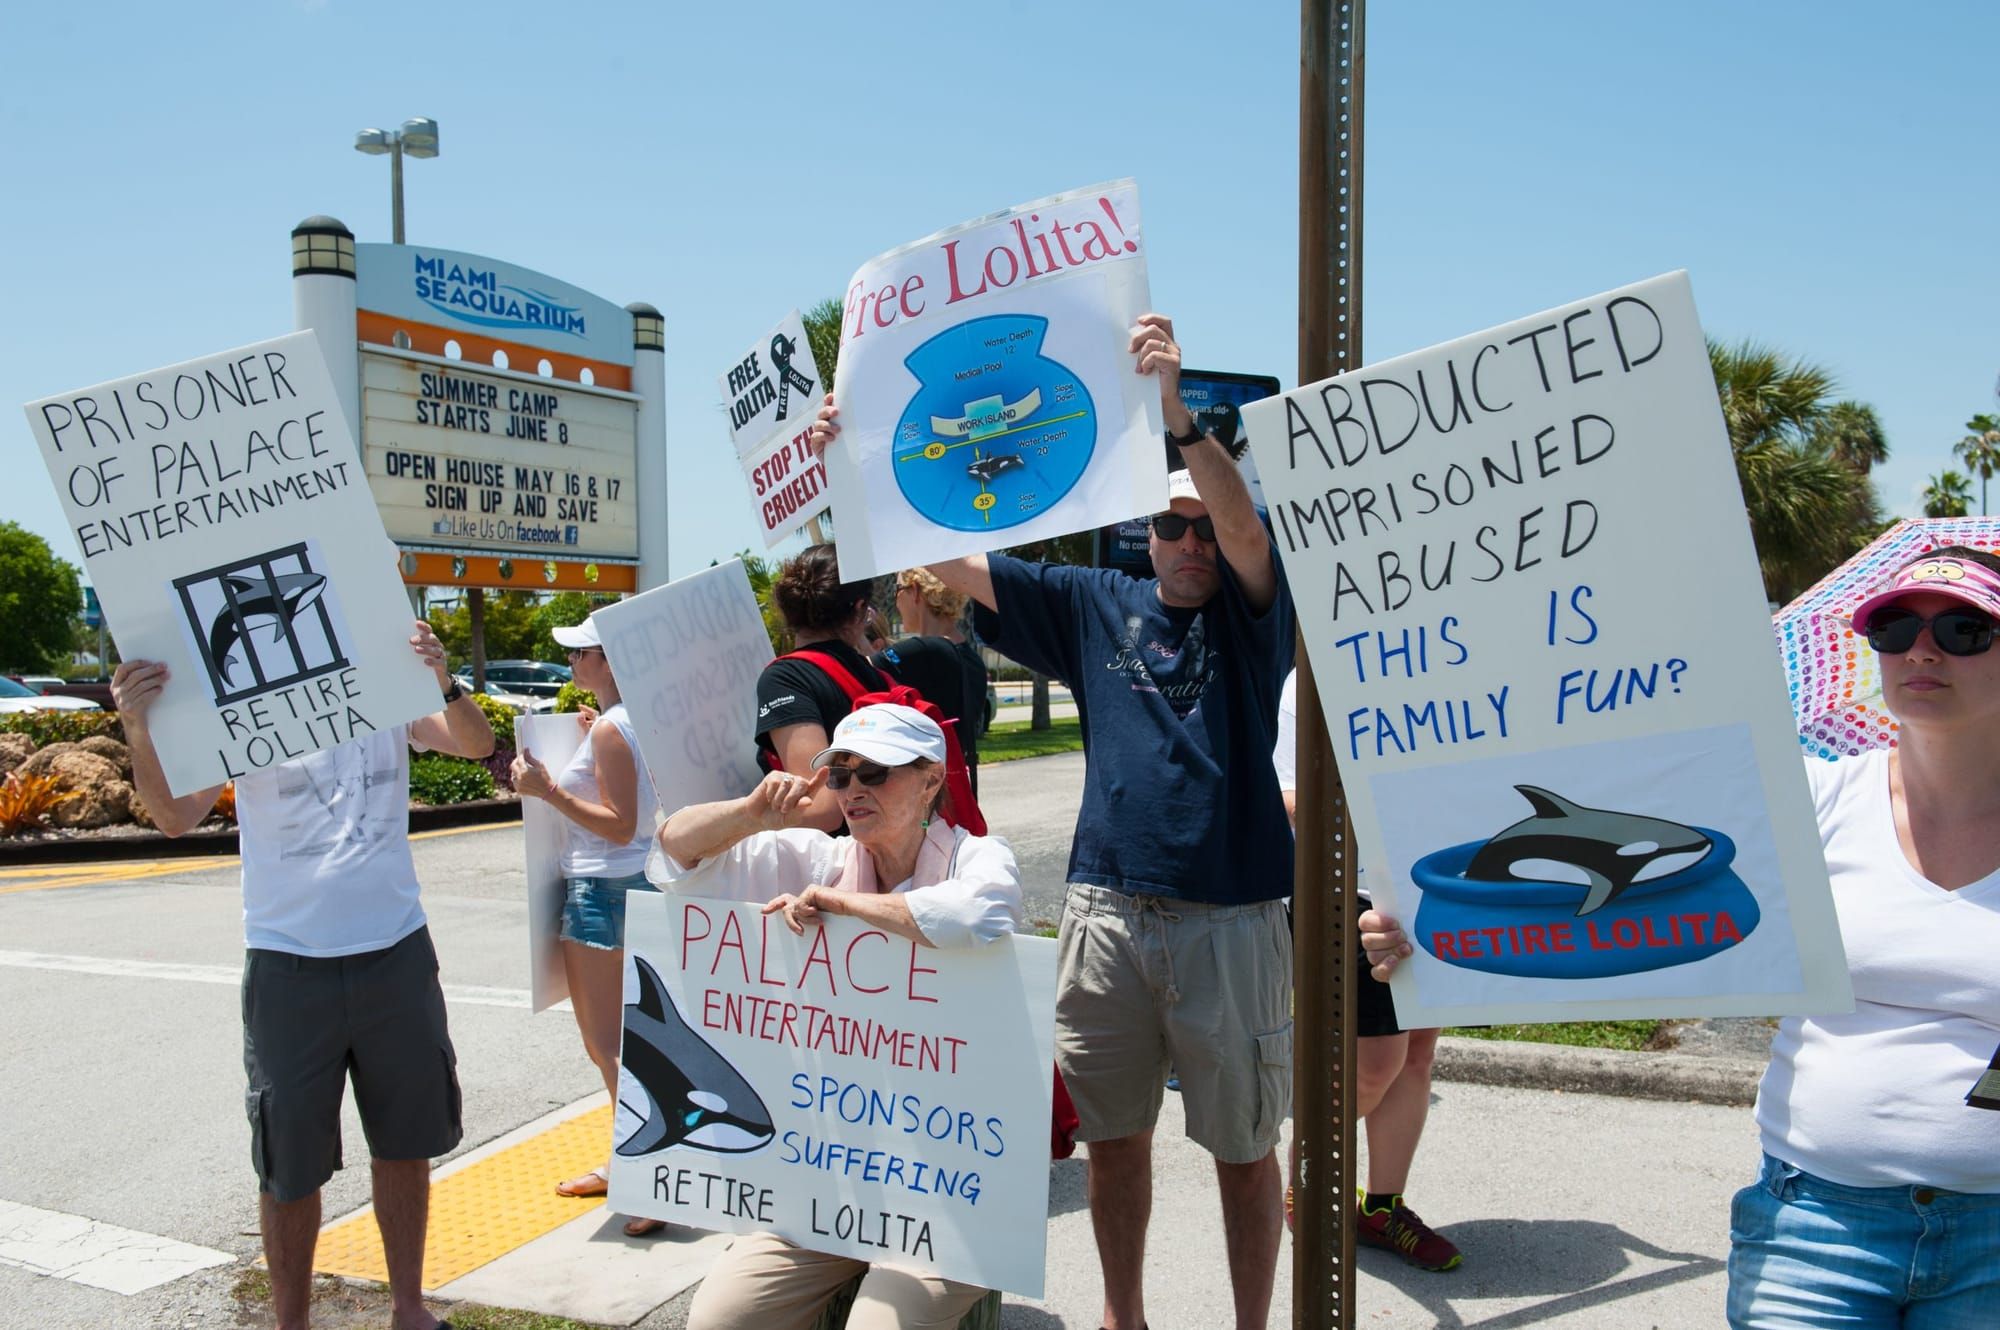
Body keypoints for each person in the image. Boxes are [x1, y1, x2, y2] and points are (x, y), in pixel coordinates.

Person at [1363, 546, 2000, 1328]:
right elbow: (1637, 917)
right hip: (1815, 1219)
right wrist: (1417, 942)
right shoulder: (1815, 796)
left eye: (1966, 630)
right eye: (1896, 627)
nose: (1922, 650)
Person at [811, 312, 1296, 1330]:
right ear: (1143, 533)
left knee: (1244, 1149)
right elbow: (947, 560)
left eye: (1201, 522)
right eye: (1170, 523)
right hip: (1103, 914)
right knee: (1114, 1139)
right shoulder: (1091, 600)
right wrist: (851, 467)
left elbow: (1246, 532)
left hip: (1233, 918)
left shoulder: (1257, 607)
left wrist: (1175, 421)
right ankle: (1124, 1316)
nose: (1190, 539)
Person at [113, 620, 493, 1330]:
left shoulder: (380, 677)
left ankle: (408, 1307)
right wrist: (137, 726)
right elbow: (172, 816)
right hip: (288, 961)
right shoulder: (240, 698)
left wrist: (442, 678)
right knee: (288, 1165)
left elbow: (475, 743)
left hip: (395, 949)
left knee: (405, 1143)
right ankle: (292, 1323)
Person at [653, 703, 1023, 1330]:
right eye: (841, 774)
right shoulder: (818, 857)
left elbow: (975, 917)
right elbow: (675, 853)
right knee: (721, 1320)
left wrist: (841, 908)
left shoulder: (976, 858)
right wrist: (750, 813)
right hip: (826, 1181)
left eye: (874, 773)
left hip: (949, 1191)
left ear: (931, 780)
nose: (852, 789)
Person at [1272, 669, 1461, 1271]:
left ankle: (1382, 1208)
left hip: (1441, 887)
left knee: (1421, 1050)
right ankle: (1313, 1175)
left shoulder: (1453, 662)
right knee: (1374, 1063)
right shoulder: (1317, 674)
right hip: (1343, 894)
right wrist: (1390, 806)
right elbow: (1287, 798)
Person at [511, 612, 665, 1237]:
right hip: (641, 884)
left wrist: (546, 790)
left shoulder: (611, 729)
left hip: (603, 888)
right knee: (639, 1040)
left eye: (582, 654)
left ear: (607, 662)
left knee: (609, 1045)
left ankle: (643, 1174)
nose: (574, 664)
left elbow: (618, 824)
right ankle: (635, 1162)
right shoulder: (633, 720)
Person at [755, 543, 894, 832]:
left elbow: (823, 808)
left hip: (838, 865)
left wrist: (733, 821)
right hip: (889, 849)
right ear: (858, 608)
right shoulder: (874, 674)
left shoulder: (786, 678)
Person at [874, 567, 988, 792]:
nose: (896, 601)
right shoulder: (971, 658)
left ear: (915, 591)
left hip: (924, 792)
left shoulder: (926, 651)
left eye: (898, 590)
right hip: (953, 787)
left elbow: (855, 667)